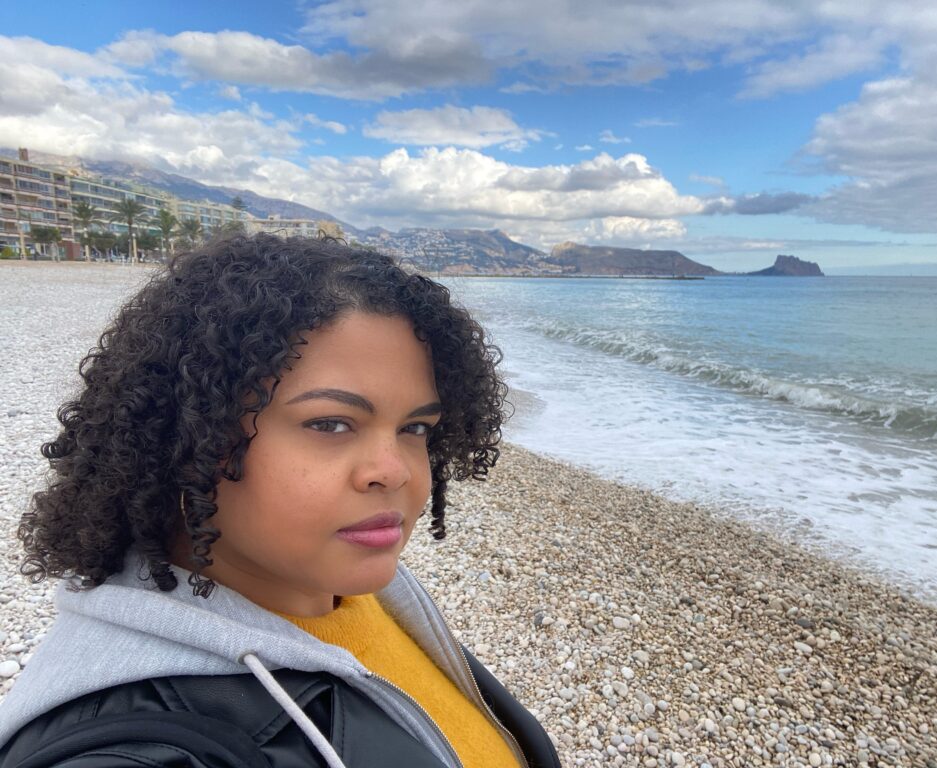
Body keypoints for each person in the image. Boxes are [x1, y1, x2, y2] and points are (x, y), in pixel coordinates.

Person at [0, 234, 562, 768]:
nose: (393, 472)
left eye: (415, 428)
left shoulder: (353, 590)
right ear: (185, 433)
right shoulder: (140, 741)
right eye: (331, 423)